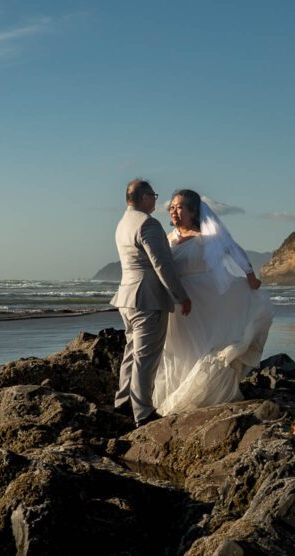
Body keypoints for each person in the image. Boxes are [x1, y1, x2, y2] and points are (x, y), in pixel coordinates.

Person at [152, 189, 274, 416]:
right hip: (176, 301)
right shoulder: (168, 239)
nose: (174, 212)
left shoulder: (206, 238)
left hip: (202, 300)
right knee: (177, 349)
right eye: (171, 207)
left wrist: (251, 279)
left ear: (193, 211)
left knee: (200, 345)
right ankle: (176, 394)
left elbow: (236, 252)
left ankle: (203, 394)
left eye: (180, 207)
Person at [111, 179, 192, 427]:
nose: (157, 201)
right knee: (146, 357)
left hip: (127, 296)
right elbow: (161, 265)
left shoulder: (123, 223)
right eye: (154, 196)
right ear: (145, 198)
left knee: (132, 352)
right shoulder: (149, 223)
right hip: (147, 297)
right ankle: (143, 413)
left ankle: (123, 402)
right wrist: (181, 296)